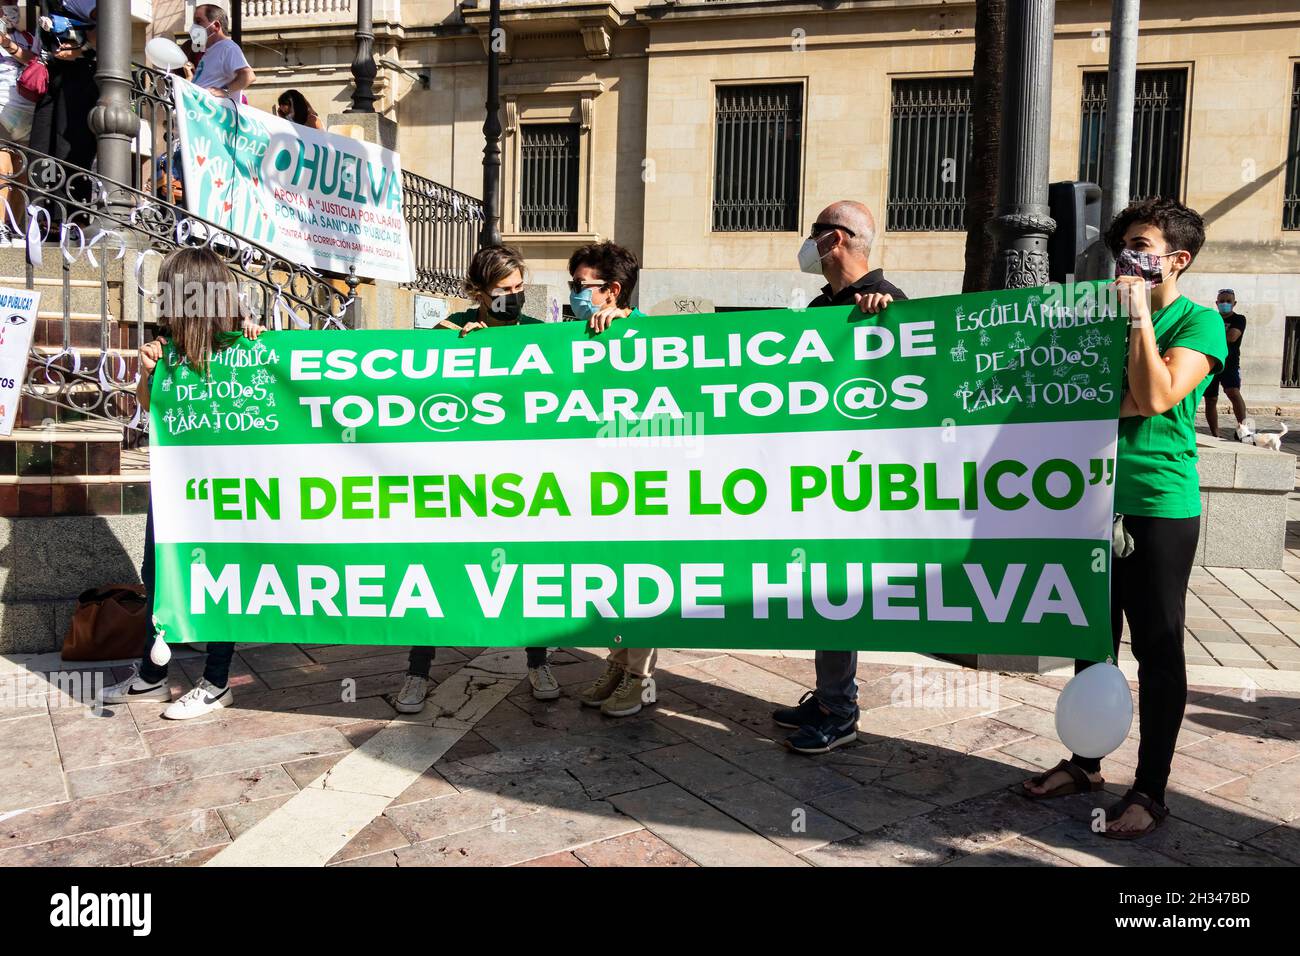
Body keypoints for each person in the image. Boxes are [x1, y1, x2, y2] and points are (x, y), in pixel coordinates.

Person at [1020, 198, 1226, 840]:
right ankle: (1086, 763)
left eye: (1143, 246)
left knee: (1158, 646)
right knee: (1093, 638)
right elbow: (1071, 391)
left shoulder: (1199, 324)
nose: (1128, 259)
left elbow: (1159, 394)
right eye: (1123, 248)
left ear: (1178, 259)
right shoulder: (1095, 316)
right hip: (1090, 498)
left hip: (1158, 504)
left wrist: (1138, 322)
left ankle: (1150, 789)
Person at [100, 248, 268, 719]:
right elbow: (148, 409)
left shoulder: (247, 343)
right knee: (158, 570)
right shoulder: (165, 347)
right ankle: (153, 676)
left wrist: (262, 343)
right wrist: (146, 373)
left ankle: (217, 680)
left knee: (224, 572)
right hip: (178, 485)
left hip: (233, 483)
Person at [394, 244, 558, 713]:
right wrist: (452, 348)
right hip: (459, 482)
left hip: (521, 481)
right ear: (477, 292)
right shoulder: (449, 331)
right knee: (438, 572)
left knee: (530, 573)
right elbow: (413, 390)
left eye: (519, 287)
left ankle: (537, 660)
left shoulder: (542, 335)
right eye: (504, 289)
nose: (515, 295)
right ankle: (417, 671)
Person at [768, 200, 906, 754]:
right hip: (818, 470)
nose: (808, 241)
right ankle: (829, 694)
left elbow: (909, 376)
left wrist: (890, 315)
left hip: (856, 476)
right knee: (818, 587)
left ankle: (841, 712)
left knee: (836, 588)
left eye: (816, 232)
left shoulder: (884, 301)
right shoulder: (827, 303)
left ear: (839, 240)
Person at [557, 241, 662, 717]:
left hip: (637, 484)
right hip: (594, 482)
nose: (575, 293)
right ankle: (618, 663)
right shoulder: (575, 336)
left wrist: (627, 331)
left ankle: (640, 677)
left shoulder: (642, 334)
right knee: (611, 581)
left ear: (613, 291)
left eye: (583, 286)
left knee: (640, 579)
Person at [27, 0, 97, 223]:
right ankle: (42, 216)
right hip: (54, 75)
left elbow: (106, 25)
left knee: (70, 145)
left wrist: (81, 48)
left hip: (79, 74)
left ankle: (69, 218)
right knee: (41, 147)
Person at [0, 6, 35, 241]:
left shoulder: (28, 37)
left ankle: (15, 225)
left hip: (27, 108)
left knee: (22, 171)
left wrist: (8, 44)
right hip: (1, 104)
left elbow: (35, 60)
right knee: (3, 169)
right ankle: (1, 225)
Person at [1204, 288, 1247, 438]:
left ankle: (1244, 430)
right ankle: (1215, 434)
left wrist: (1211, 336)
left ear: (1234, 303)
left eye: (1228, 301)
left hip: (1230, 363)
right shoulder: (1211, 318)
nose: (1225, 304)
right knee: (1210, 399)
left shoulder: (1239, 319)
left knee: (1233, 392)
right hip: (1211, 363)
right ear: (1216, 303)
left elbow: (1232, 337)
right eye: (1222, 301)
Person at [190, 4, 255, 101]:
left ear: (216, 26)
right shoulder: (210, 52)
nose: (194, 27)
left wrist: (225, 91)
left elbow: (248, 76)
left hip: (213, 113)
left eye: (199, 22)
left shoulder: (227, 47)